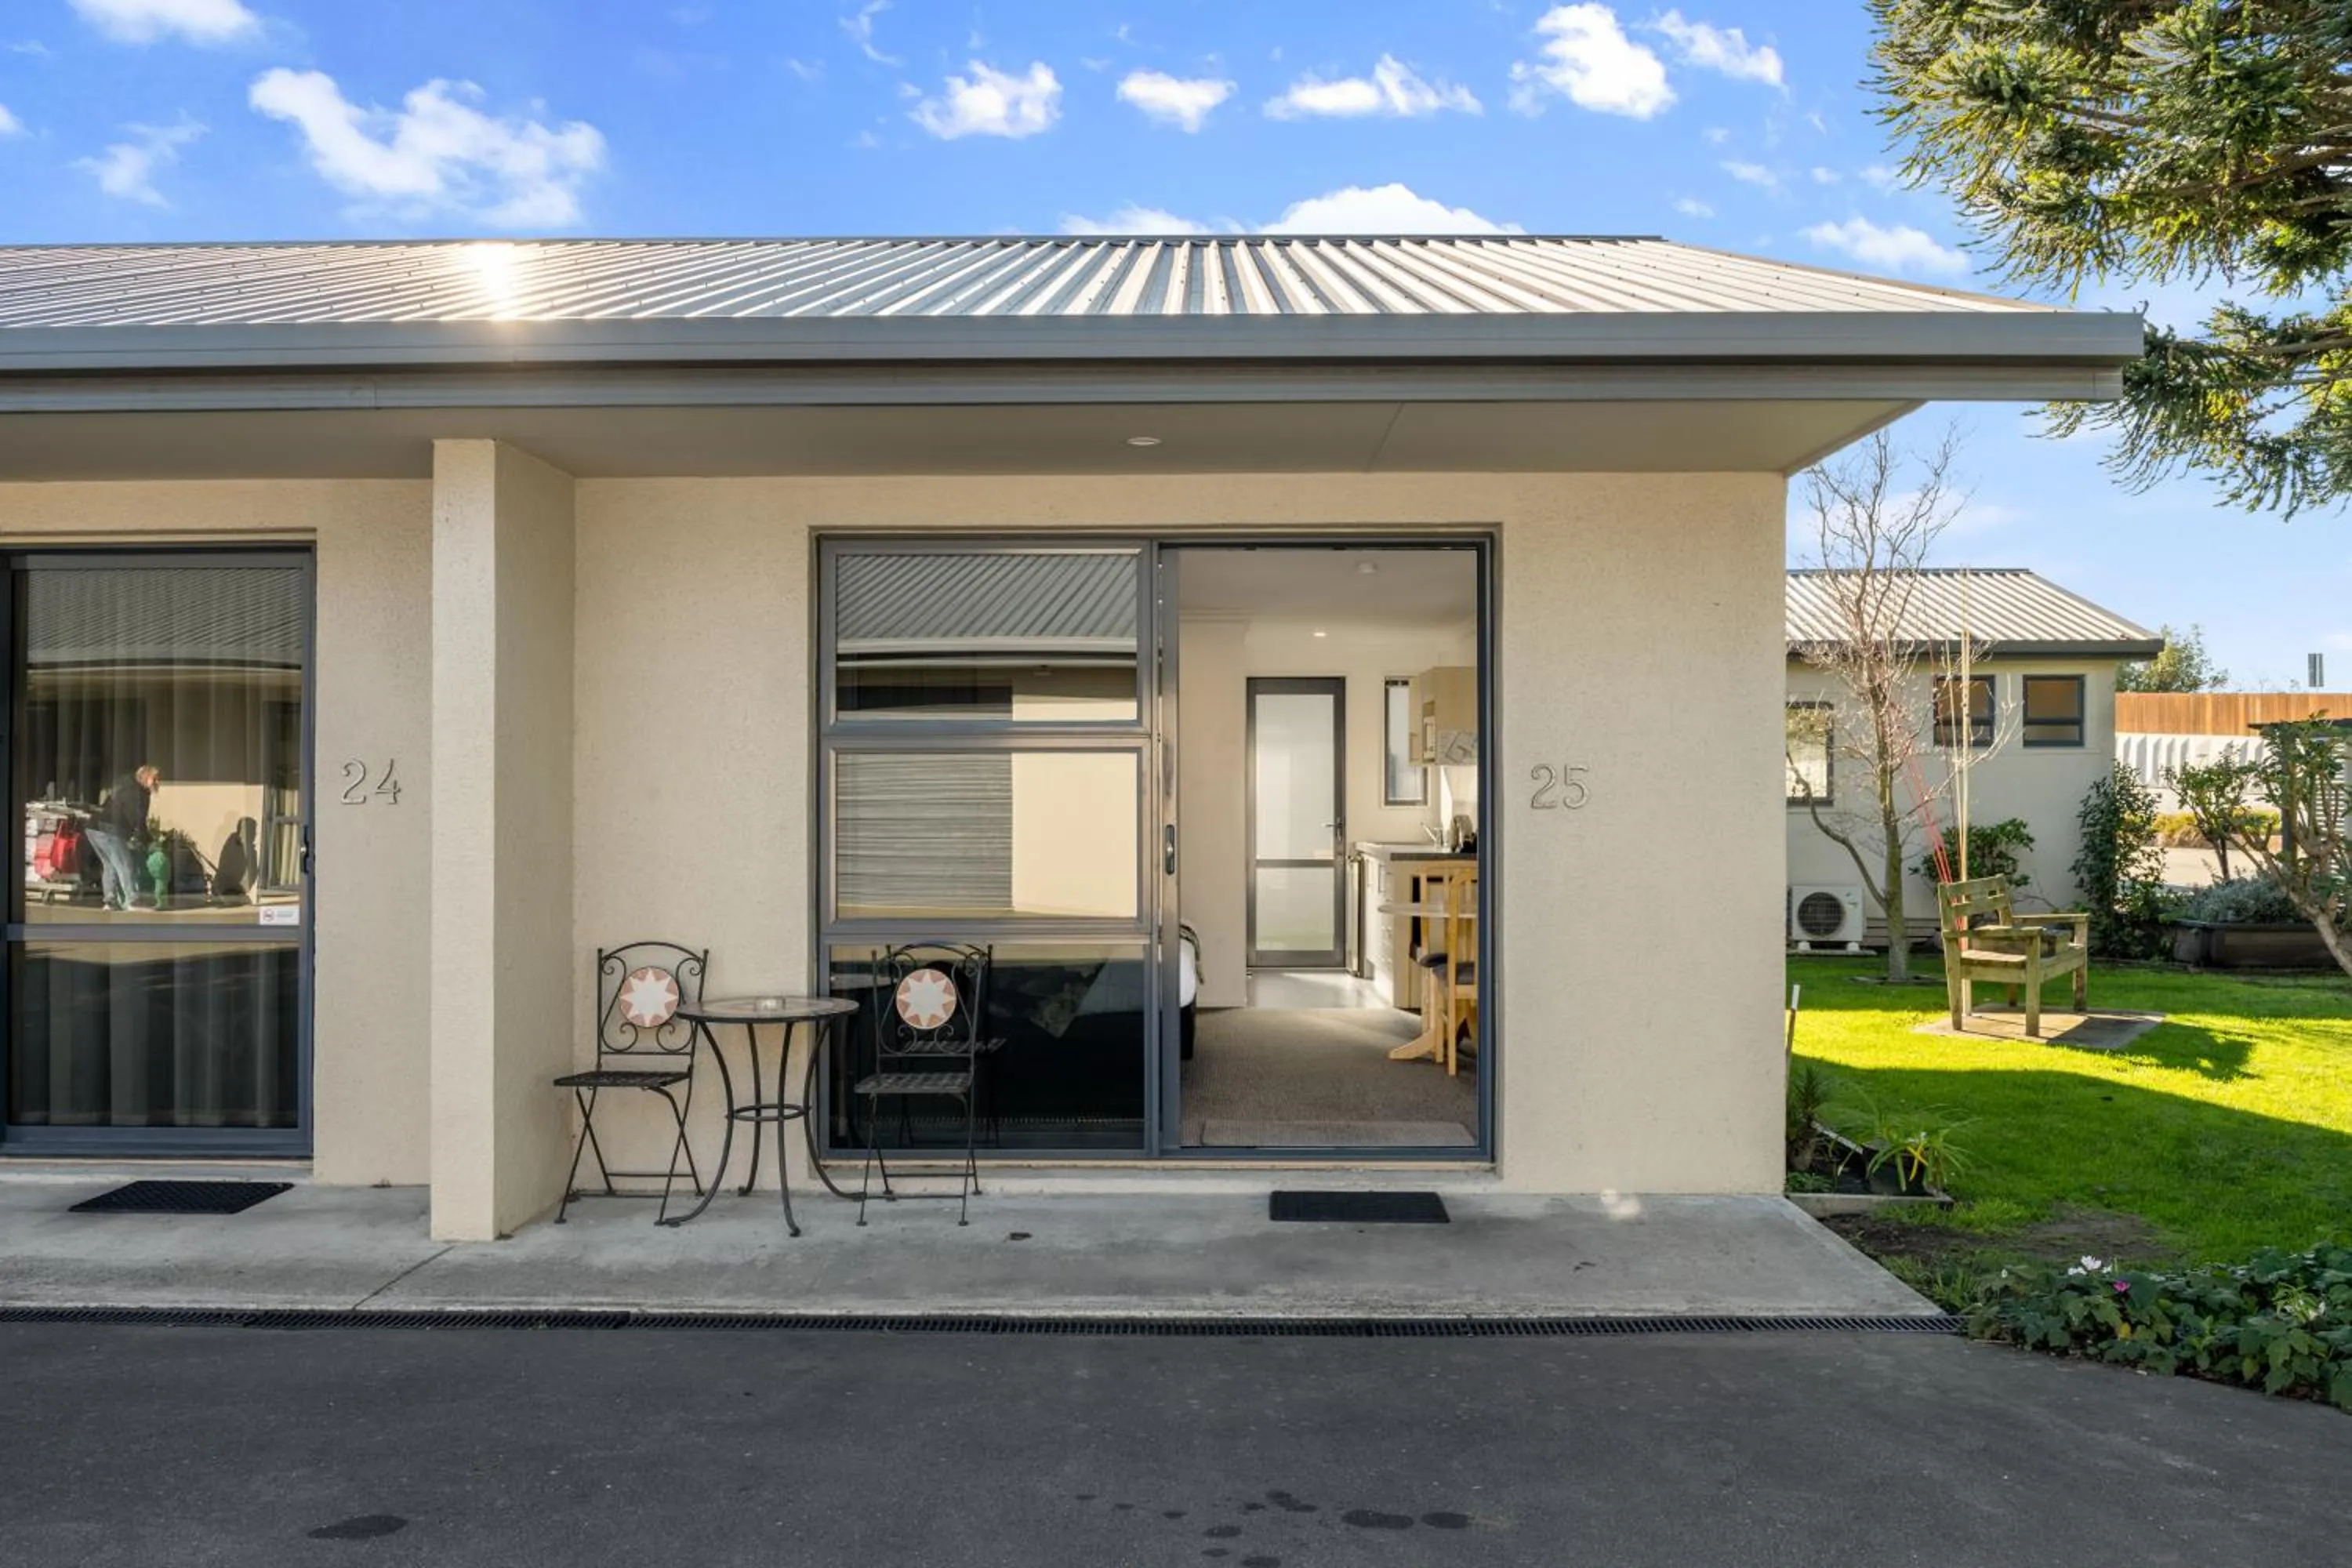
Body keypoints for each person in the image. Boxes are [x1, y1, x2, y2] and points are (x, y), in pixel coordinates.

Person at [84, 764, 158, 913]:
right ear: (145, 777)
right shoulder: (138, 793)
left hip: (94, 827)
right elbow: (137, 820)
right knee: (125, 864)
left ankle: (110, 901)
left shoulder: (125, 786)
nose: (157, 782)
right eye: (154, 778)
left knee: (110, 865)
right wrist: (147, 840)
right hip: (109, 828)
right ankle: (132, 901)